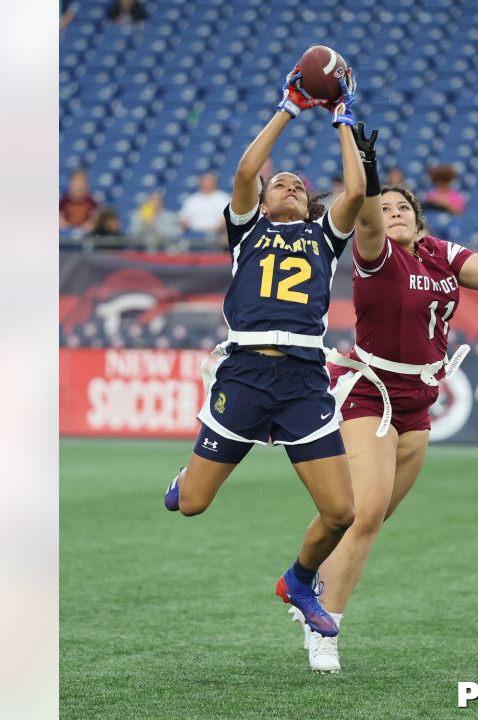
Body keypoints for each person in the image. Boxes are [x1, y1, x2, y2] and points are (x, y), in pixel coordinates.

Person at [289, 145, 478, 672]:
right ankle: (324, 626)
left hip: (419, 400)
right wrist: (368, 174)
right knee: (362, 516)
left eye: (403, 207)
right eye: (386, 209)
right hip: (371, 393)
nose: (394, 214)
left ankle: (313, 578)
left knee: (374, 516)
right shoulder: (376, 254)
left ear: (418, 215)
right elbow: (363, 212)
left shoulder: (440, 252)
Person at [163, 63, 378, 640]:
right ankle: (188, 474)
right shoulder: (248, 232)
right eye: (278, 181)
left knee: (342, 512)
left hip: (305, 381)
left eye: (297, 184)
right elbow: (245, 170)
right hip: (245, 373)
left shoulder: (323, 238)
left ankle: (298, 579)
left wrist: (342, 120)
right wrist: (287, 107)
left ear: (308, 203)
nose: (286, 183)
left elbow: (356, 191)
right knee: (192, 505)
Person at [178, 172, 231, 248]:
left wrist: (215, 230)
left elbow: (225, 220)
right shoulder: (192, 199)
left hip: (215, 234)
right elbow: (183, 218)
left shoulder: (222, 198)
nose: (206, 184)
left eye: (208, 182)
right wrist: (185, 224)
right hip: (192, 233)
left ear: (214, 183)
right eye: (204, 181)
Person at [59, 168, 100, 232]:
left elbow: (95, 221)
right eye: (76, 181)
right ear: (71, 183)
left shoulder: (93, 202)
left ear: (86, 184)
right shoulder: (62, 201)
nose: (78, 185)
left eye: (81, 182)